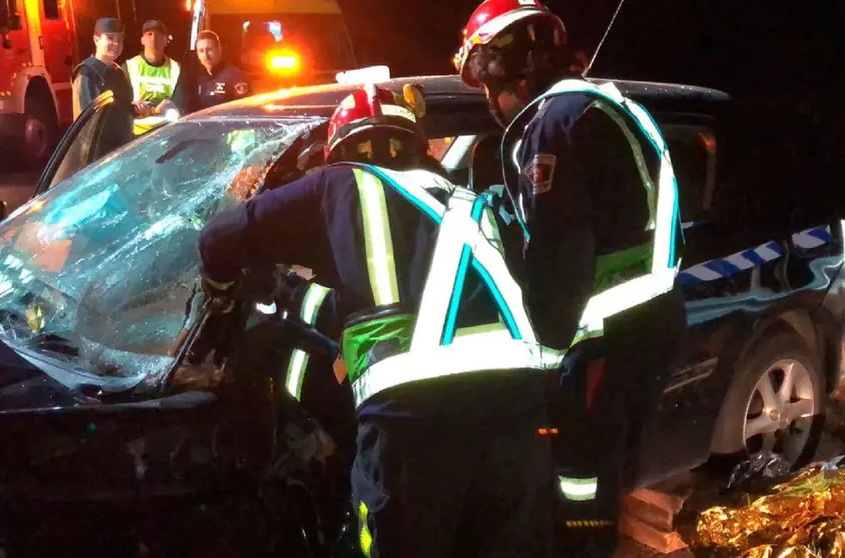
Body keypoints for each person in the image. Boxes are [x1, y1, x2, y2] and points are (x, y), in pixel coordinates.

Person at [189, 83, 556, 558]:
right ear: (417, 146)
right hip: (520, 412)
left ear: (337, 152)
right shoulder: (470, 204)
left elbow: (218, 239)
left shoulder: (339, 184)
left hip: (413, 418)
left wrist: (219, 302)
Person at [453, 0, 688, 554]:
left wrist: (544, 355)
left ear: (506, 69)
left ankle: (578, 547)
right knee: (611, 462)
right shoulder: (604, 106)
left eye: (486, 83)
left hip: (602, 336)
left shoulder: (552, 125)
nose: (489, 101)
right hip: (649, 322)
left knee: (579, 476)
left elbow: (561, 251)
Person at [71, 18, 137, 155]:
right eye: (110, 38)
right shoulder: (86, 73)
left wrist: (135, 108)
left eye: (120, 39)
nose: (116, 43)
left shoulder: (118, 72)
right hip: (99, 156)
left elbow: (120, 111)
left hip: (122, 151)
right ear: (96, 40)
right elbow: (84, 126)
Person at [124, 20, 182, 136]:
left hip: (167, 133)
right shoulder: (129, 66)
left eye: (159, 35)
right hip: (136, 135)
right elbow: (121, 107)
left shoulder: (176, 68)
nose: (154, 39)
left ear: (166, 41)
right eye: (149, 34)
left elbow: (181, 104)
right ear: (142, 40)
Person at [182, 30, 252, 113]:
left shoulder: (235, 76)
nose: (206, 55)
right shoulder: (195, 77)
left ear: (219, 49)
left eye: (209, 50)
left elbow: (247, 108)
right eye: (201, 51)